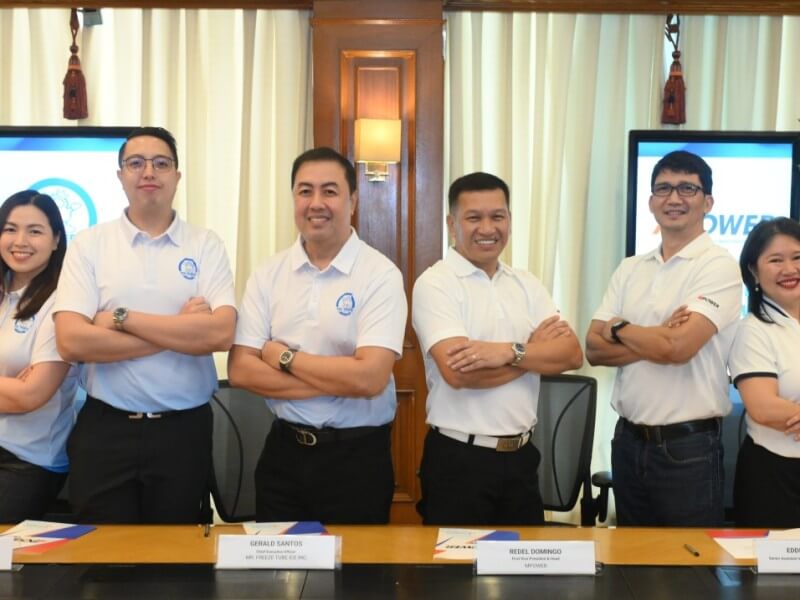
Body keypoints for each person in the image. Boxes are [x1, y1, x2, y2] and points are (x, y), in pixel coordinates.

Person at [53, 126, 237, 524]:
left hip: (182, 431)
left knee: (177, 569)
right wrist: (179, 331)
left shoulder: (205, 245)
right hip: (106, 428)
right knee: (100, 565)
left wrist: (121, 320)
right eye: (135, 163)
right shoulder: (90, 244)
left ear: (177, 176)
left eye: (161, 163)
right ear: (120, 175)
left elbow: (221, 334)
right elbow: (70, 341)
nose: (148, 171)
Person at [228, 147, 406, 524]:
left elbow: (370, 378)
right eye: (305, 191)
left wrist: (285, 359)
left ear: (353, 201)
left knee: (357, 580)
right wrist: (339, 377)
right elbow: (242, 370)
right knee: (277, 578)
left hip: (356, 459)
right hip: (283, 454)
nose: (316, 203)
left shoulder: (380, 275)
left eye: (330, 191)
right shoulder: (269, 273)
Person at [411, 171, 583, 525]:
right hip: (459, 461)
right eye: (474, 217)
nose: (487, 228)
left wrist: (509, 352)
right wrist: (533, 353)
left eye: (498, 216)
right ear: (452, 223)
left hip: (521, 459)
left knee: (522, 576)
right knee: (454, 579)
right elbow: (458, 374)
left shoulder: (526, 284)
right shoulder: (435, 284)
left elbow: (571, 355)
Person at [586, 150, 741, 527]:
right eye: (664, 189)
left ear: (708, 202)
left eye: (687, 188)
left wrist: (621, 328)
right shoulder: (630, 268)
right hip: (627, 442)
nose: (674, 198)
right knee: (631, 567)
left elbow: (678, 348)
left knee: (689, 572)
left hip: (687, 449)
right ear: (652, 202)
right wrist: (658, 336)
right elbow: (592, 348)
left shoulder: (718, 265)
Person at [0, 191, 78, 522]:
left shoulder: (62, 303)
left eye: (35, 231)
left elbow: (30, 396)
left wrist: (20, 391)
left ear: (57, 239)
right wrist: (9, 386)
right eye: (10, 228)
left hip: (26, 460)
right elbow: (15, 394)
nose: (20, 241)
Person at [728, 217, 800, 528]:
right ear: (754, 272)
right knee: (776, 576)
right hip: (775, 477)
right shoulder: (753, 330)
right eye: (775, 260)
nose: (789, 269)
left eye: (797, 258)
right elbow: (763, 407)